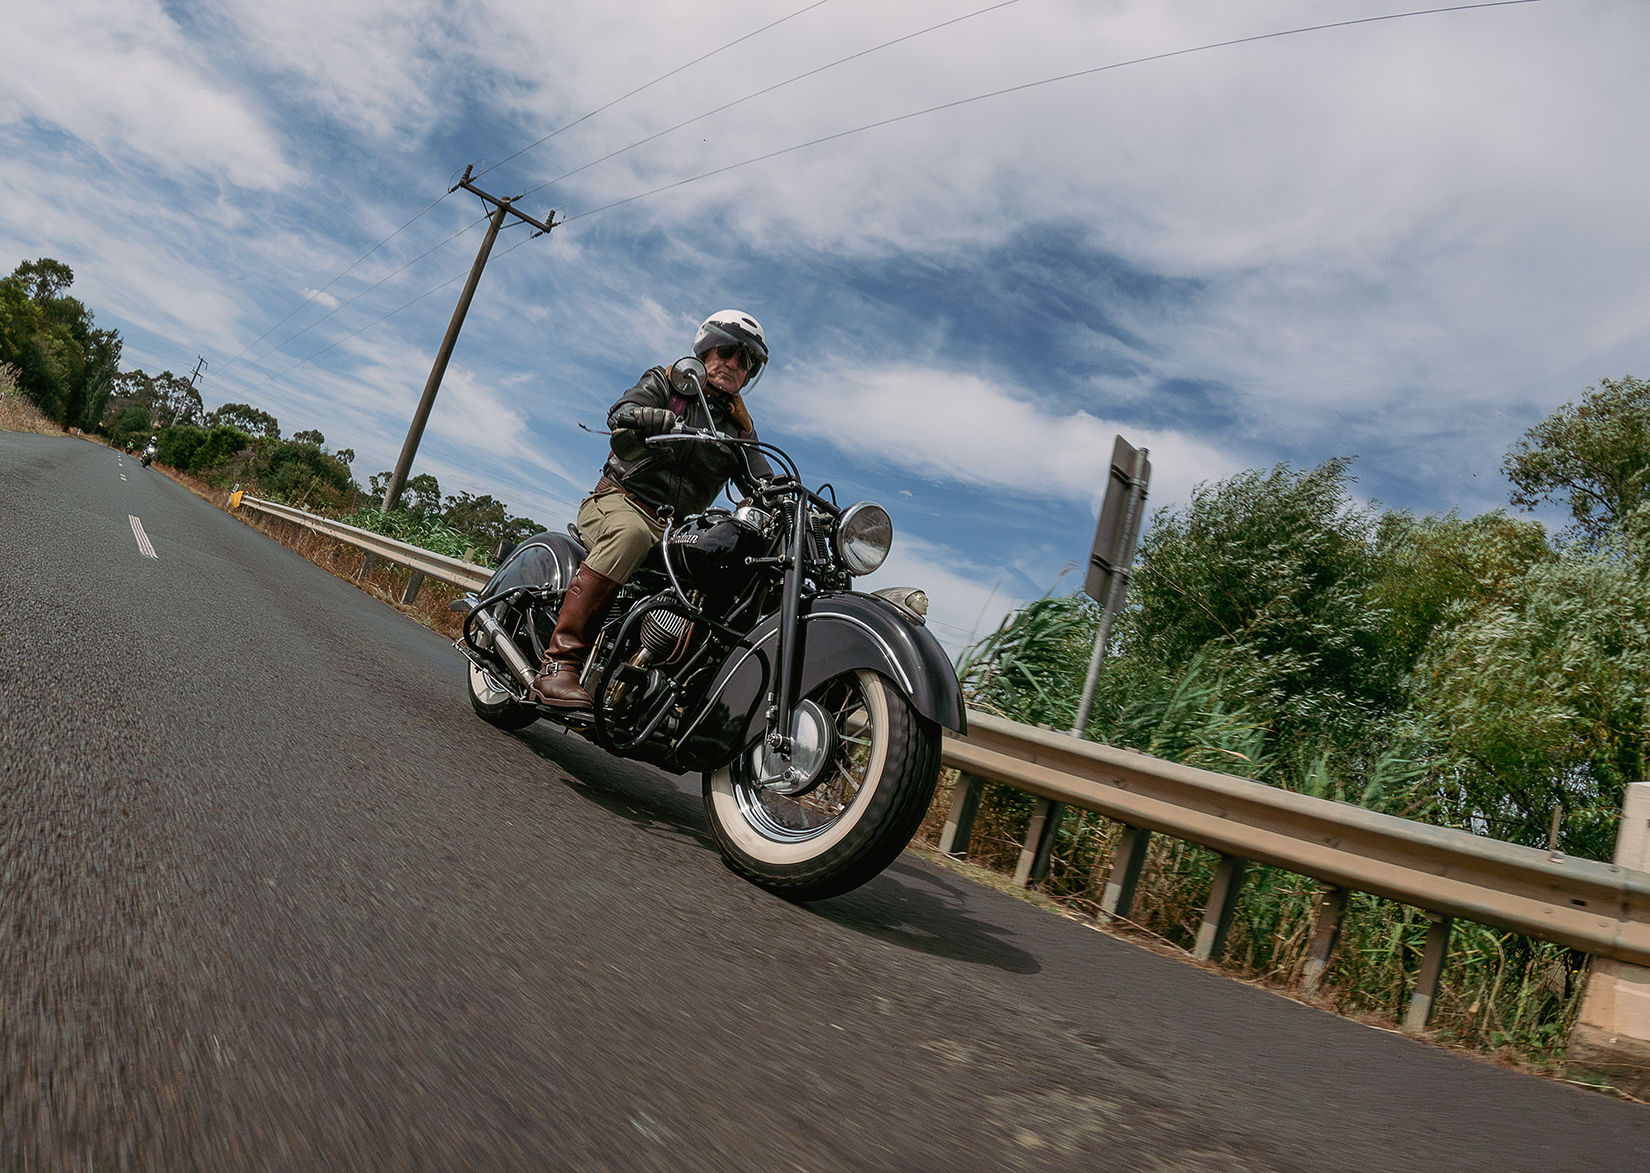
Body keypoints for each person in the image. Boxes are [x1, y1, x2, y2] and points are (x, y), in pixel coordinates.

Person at [531, 310, 776, 709]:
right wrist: (648, 416)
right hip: (618, 502)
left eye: (746, 360)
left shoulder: (738, 429)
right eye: (728, 351)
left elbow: (762, 477)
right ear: (706, 349)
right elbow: (623, 411)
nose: (734, 364)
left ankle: (684, 691)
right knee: (631, 534)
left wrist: (788, 497)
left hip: (675, 529)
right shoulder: (669, 383)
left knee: (740, 564)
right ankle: (559, 664)